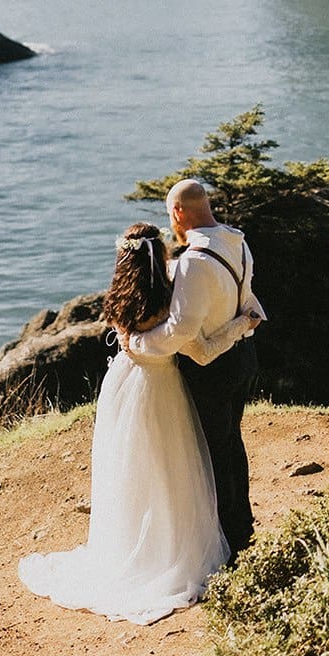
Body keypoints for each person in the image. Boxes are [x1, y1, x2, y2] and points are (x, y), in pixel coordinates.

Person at [17, 222, 257, 625]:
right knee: (171, 470)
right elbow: (202, 348)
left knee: (129, 471)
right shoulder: (169, 308)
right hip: (162, 390)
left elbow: (133, 341)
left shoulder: (120, 301)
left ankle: (130, 545)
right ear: (160, 257)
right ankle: (169, 549)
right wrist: (242, 323)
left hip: (122, 388)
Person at [125, 179, 264, 558]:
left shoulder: (194, 262)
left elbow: (180, 332)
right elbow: (245, 295)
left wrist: (136, 343)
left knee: (213, 454)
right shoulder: (237, 241)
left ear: (178, 213)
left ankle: (230, 544)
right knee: (231, 444)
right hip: (241, 358)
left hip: (213, 370)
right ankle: (242, 527)